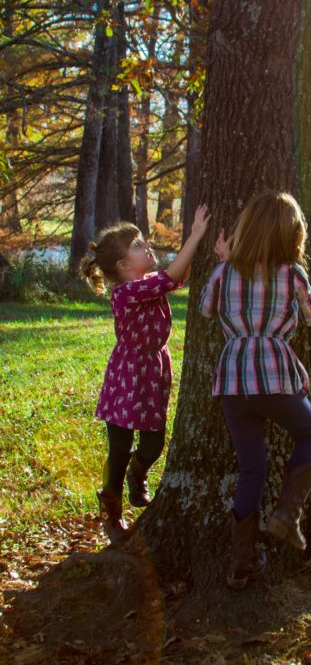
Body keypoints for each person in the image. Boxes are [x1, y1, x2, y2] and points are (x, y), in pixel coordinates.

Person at [199, 191, 311, 590]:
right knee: (310, 433)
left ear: (244, 231)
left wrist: (224, 263)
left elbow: (204, 308)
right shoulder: (292, 274)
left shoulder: (224, 271)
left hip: (234, 378)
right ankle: (287, 514)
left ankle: (241, 562)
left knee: (252, 467)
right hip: (274, 373)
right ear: (292, 236)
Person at [80, 205, 211, 543]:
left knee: (154, 441)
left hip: (152, 370)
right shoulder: (125, 293)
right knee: (119, 447)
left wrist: (205, 249)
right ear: (124, 266)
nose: (147, 246)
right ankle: (111, 510)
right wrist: (195, 235)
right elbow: (171, 277)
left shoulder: (149, 282)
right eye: (138, 246)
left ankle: (138, 475)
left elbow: (179, 276)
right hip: (127, 375)